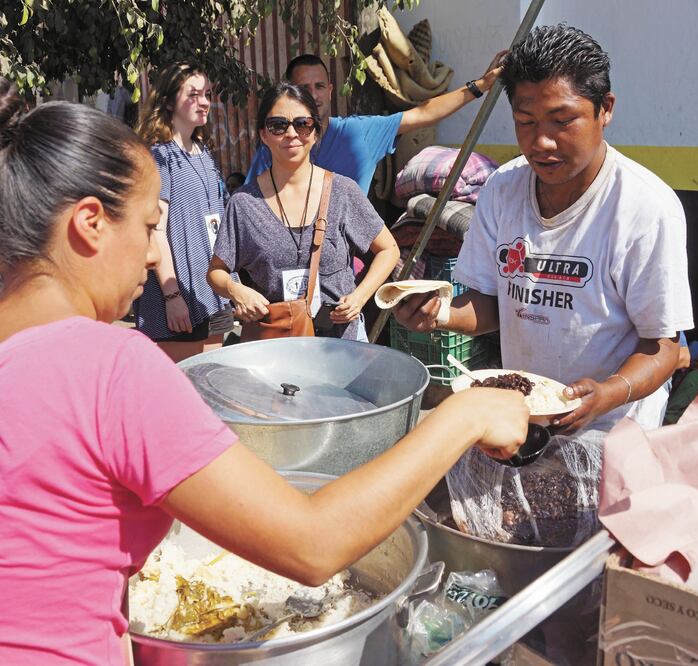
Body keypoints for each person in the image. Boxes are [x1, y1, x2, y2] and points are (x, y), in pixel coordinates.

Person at [0, 81, 529, 665]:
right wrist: (467, 413)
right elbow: (313, 544)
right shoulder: (109, 366)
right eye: (151, 227)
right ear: (91, 223)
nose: (155, 256)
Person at [395, 25, 695, 434]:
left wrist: (608, 393)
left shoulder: (646, 208)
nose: (542, 143)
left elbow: (663, 346)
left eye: (562, 120)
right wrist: (437, 312)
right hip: (526, 416)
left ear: (604, 109)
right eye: (525, 121)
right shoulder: (502, 189)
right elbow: (492, 305)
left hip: (612, 429)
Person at [208, 83, 401, 341]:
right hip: (276, 344)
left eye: (302, 124)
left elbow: (389, 250)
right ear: (264, 134)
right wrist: (236, 290)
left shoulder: (342, 192)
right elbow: (216, 271)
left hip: (341, 341)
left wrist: (359, 297)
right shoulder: (244, 202)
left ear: (315, 133)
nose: (291, 133)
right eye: (278, 125)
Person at [245, 52, 506, 193]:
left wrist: (479, 86)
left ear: (331, 90)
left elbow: (424, 113)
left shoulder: (359, 133)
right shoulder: (277, 145)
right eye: (304, 87)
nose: (313, 95)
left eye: (319, 86)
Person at [134, 62, 233, 363]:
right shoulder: (159, 156)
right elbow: (155, 230)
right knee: (183, 385)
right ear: (167, 101)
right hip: (179, 296)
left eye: (206, 93)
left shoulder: (203, 151)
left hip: (211, 291)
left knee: (212, 383)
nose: (203, 101)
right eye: (193, 94)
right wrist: (172, 296)